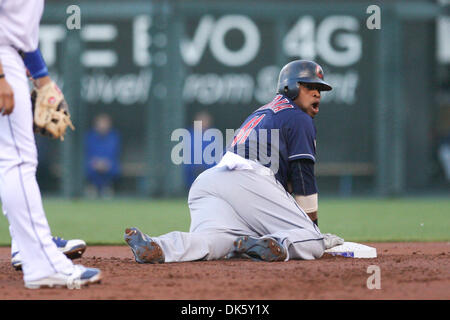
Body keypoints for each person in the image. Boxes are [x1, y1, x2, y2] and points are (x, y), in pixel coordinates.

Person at [124, 60, 344, 263]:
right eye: (309, 87)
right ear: (290, 88)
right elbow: (302, 178)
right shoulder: (299, 117)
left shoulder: (265, 111)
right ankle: (278, 243)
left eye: (320, 89)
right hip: (251, 180)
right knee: (314, 241)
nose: (317, 93)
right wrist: (312, 229)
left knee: (214, 240)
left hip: (211, 181)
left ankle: (159, 247)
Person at [0, 0, 101, 288]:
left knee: (11, 160)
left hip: (12, 55)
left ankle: (27, 243)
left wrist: (43, 80)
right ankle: (41, 261)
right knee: (17, 160)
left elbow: (20, 32)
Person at [85, 113, 121, 197]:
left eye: (105, 123)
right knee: (88, 166)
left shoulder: (114, 137)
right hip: (92, 165)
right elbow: (88, 154)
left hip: (109, 165)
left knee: (113, 166)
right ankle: (92, 187)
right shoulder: (90, 136)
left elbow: (114, 154)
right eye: (100, 123)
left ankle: (107, 187)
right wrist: (96, 163)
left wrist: (104, 163)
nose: (102, 126)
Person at [182, 110, 217, 190]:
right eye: (201, 120)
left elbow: (217, 156)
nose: (203, 123)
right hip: (190, 172)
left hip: (209, 172)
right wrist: (195, 167)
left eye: (205, 120)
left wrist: (207, 168)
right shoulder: (188, 135)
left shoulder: (213, 136)